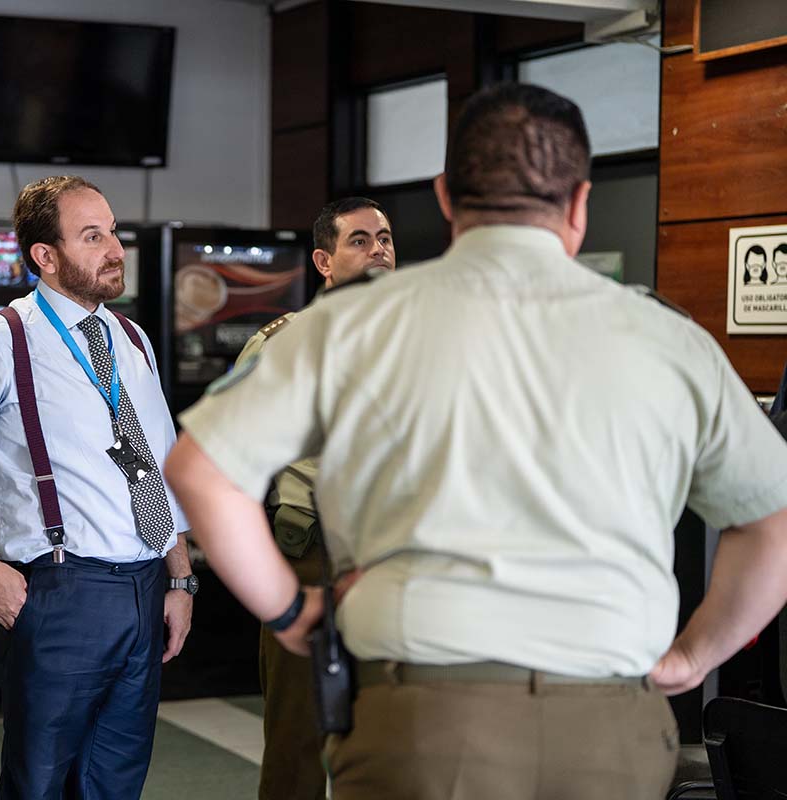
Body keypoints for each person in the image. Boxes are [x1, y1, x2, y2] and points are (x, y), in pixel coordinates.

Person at [165, 82, 787, 800]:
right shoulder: (669, 339)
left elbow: (201, 471)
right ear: (580, 202)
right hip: (610, 719)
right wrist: (692, 656)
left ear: (444, 196)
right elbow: (771, 520)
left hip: (422, 721)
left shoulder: (346, 327)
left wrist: (289, 608)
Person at [0, 175, 194, 799]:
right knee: (40, 783)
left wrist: (178, 577)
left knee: (116, 782)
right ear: (45, 256)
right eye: (93, 236)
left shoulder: (132, 339)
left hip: (144, 588)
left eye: (113, 232)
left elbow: (161, 469)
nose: (115, 248)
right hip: (60, 591)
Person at [241, 196, 394, 800]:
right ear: (323, 262)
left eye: (384, 238)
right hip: (315, 560)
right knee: (298, 739)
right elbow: (227, 471)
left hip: (397, 562)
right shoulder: (283, 343)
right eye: (359, 240)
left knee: (393, 737)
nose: (378, 248)